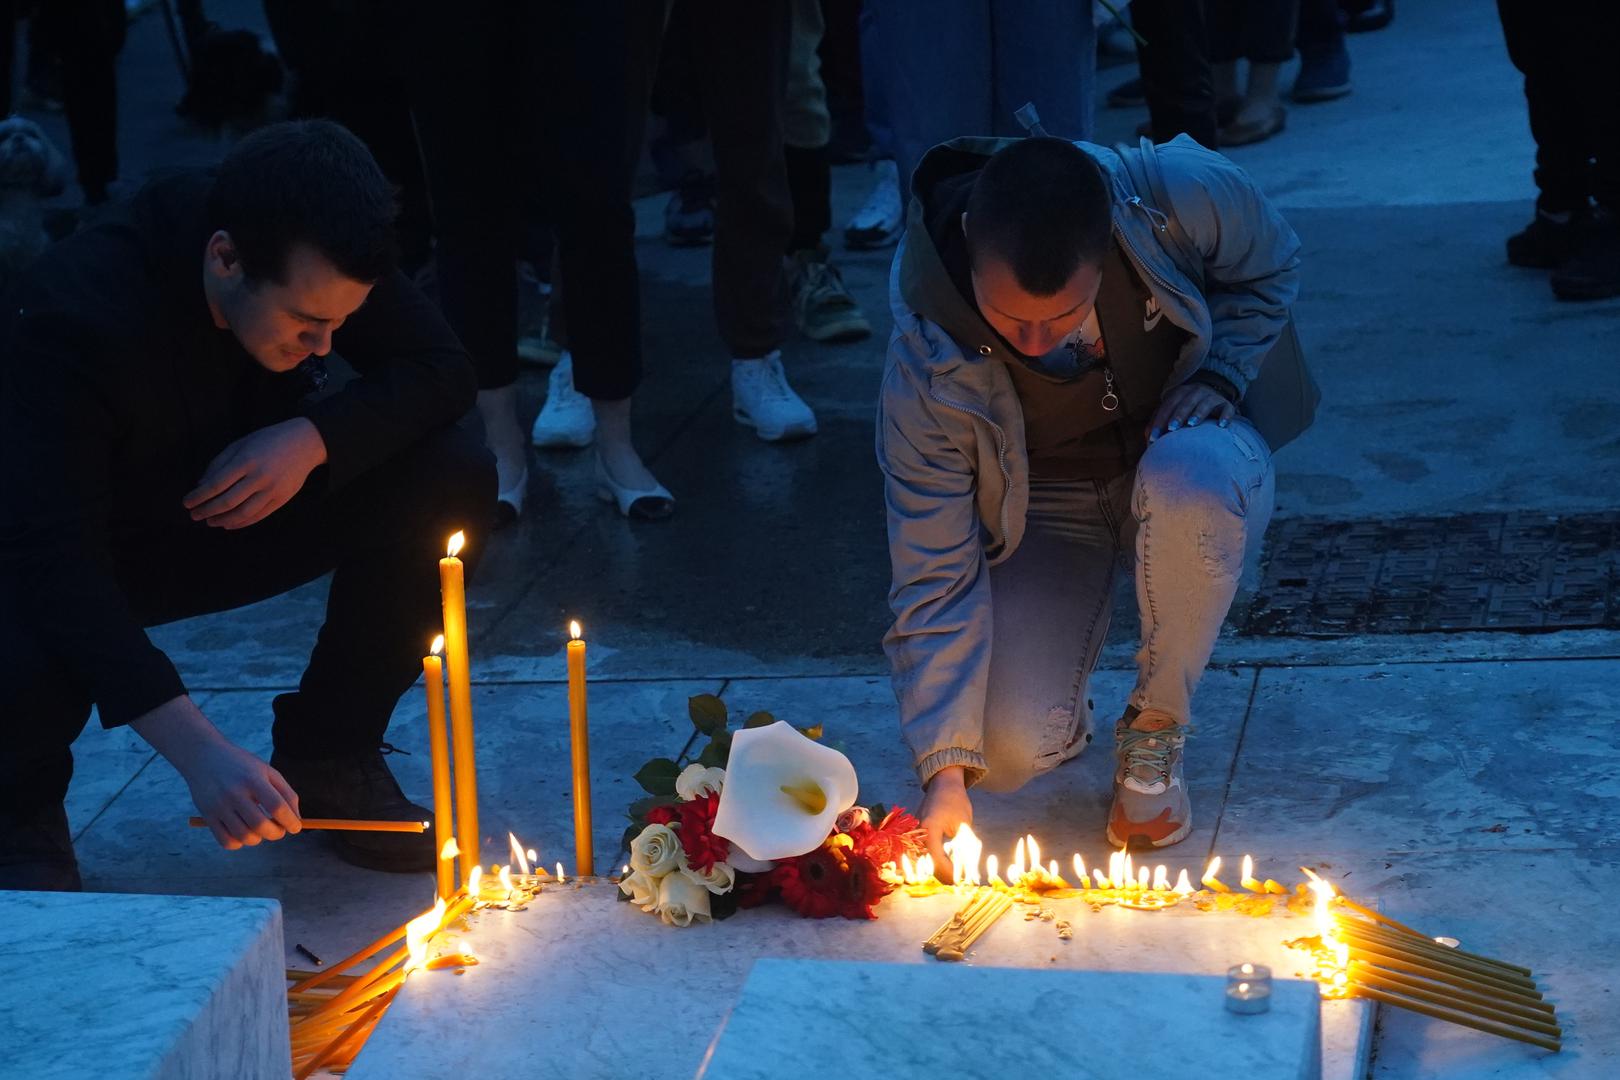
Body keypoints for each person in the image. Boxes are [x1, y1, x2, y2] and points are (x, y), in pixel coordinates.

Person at [0, 120, 495, 891]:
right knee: (26, 613)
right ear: (224, 258)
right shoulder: (73, 320)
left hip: (228, 509)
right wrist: (199, 752)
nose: (325, 347)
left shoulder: (317, 244)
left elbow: (442, 367)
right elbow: (54, 556)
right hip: (81, 546)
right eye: (307, 325)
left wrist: (315, 437)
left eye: (341, 324)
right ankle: (19, 816)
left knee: (451, 473)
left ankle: (329, 751)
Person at [877, 136, 1306, 873]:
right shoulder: (924, 361)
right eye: (1010, 319)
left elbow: (1271, 263)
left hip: (1186, 451)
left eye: (1062, 316)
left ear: (1107, 244)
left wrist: (1223, 372)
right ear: (970, 243)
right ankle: (1058, 702)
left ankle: (1155, 726)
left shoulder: (1179, 194)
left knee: (1189, 483)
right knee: (1000, 753)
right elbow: (932, 569)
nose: (1035, 343)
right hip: (1050, 502)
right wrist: (943, 774)